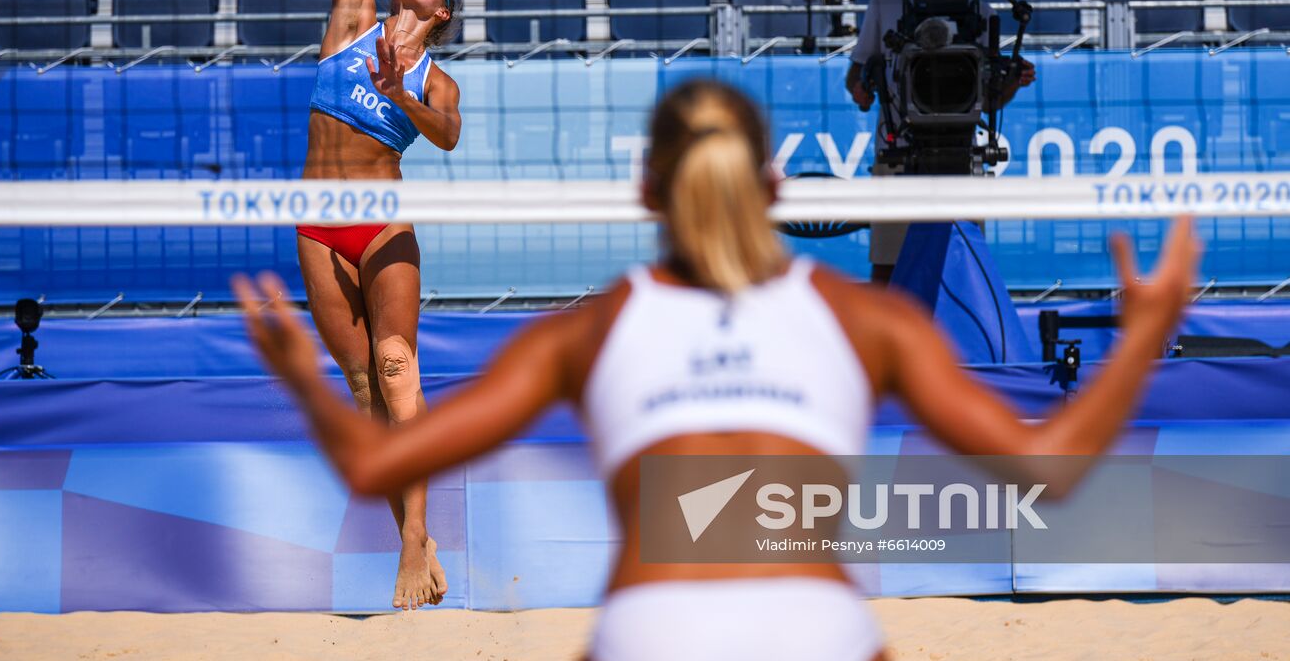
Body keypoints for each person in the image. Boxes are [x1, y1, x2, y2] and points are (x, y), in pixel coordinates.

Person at [237, 80, 1200, 658]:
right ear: (777, 189)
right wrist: (1142, 338)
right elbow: (1052, 467)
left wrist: (299, 374)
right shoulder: (864, 320)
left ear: (646, 189)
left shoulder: (593, 331)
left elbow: (373, 466)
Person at [296, 0, 464, 610]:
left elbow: (447, 135)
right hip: (317, 227)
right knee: (364, 389)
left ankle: (407, 544)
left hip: (382, 225)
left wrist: (398, 91)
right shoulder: (351, 18)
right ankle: (420, 539)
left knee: (398, 371)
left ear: (443, 11)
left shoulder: (439, 78)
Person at [845, 0, 1037, 284]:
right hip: (899, 150)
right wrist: (865, 85)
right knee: (888, 265)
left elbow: (991, 101)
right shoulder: (885, 2)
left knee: (964, 265)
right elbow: (857, 77)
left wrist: (1013, 81)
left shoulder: (981, 11)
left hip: (961, 152)